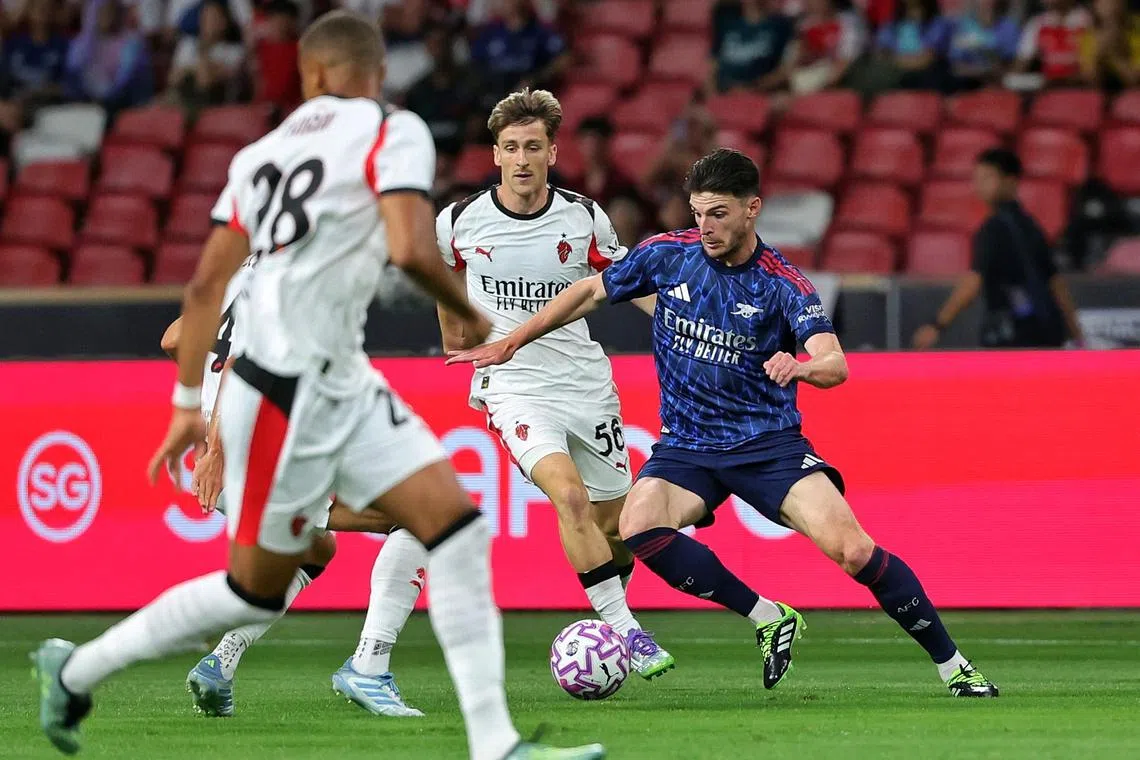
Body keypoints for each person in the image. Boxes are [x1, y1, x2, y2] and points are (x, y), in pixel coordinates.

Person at [31, 12, 606, 760]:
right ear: (379, 75)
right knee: (264, 582)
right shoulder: (394, 130)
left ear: (307, 76)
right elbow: (409, 247)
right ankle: (77, 669)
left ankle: (489, 740)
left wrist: (188, 409)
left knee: (448, 524)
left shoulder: (258, 157)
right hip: (289, 388)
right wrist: (469, 313)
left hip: (319, 380)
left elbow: (203, 293)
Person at [450, 148, 1001, 699]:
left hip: (768, 447)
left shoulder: (782, 283)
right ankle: (768, 616)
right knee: (638, 526)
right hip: (687, 447)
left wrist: (801, 367)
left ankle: (954, 665)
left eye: (717, 213)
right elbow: (591, 290)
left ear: (751, 208)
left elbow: (835, 364)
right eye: (698, 213)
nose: (705, 227)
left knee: (853, 551)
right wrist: (512, 341)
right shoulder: (667, 255)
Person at [427, 88, 673, 679]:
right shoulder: (458, 221)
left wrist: (684, 321)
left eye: (533, 147)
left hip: (585, 383)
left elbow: (627, 282)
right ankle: (628, 632)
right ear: (495, 154)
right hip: (513, 385)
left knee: (617, 527)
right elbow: (445, 279)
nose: (522, 159)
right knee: (570, 497)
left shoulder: (584, 217)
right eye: (511, 147)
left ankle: (613, 614)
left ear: (552, 153)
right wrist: (456, 339)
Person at [159, 258, 428, 720]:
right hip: (262, 449)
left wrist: (204, 413)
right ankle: (370, 666)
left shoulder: (241, 273)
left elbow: (174, 339)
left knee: (316, 550)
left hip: (234, 456)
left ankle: (221, 663)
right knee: (421, 517)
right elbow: (243, 363)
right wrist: (219, 448)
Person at [913, 148, 1084, 350]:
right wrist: (1077, 335)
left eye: (987, 178)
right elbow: (1056, 285)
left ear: (1010, 182)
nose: (979, 185)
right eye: (977, 179)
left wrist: (937, 325)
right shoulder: (1032, 226)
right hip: (1046, 335)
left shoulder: (993, 229)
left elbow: (973, 282)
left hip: (1010, 336)